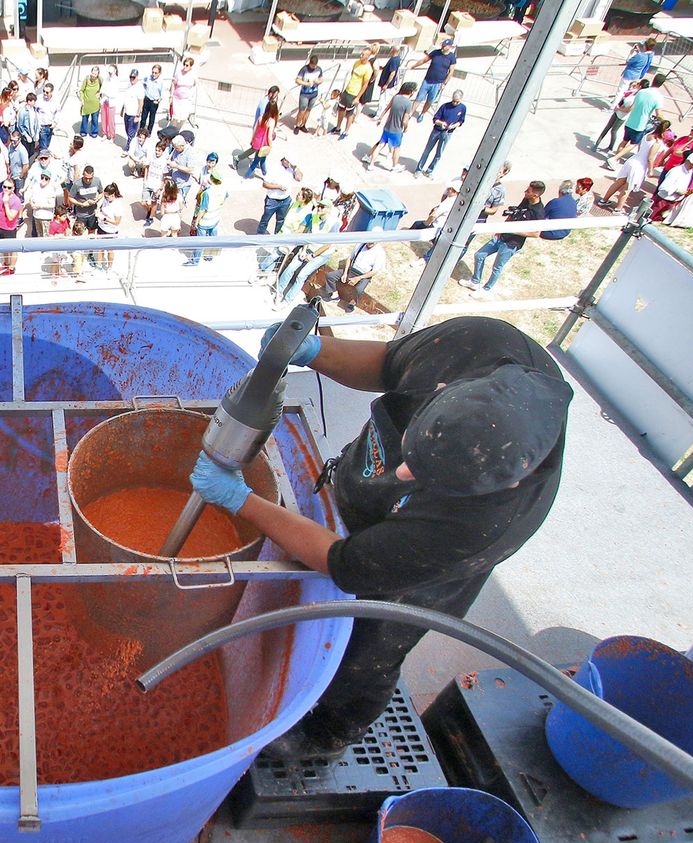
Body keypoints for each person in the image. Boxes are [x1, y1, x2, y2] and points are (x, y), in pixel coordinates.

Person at [191, 316, 571, 759]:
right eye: (412, 452)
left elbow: (345, 563)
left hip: (413, 569)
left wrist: (240, 500)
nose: (402, 473)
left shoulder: (479, 526)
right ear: (445, 389)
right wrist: (316, 352)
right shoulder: (478, 343)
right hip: (368, 495)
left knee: (371, 644)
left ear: (506, 484)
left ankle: (331, 732)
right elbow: (390, 363)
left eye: (424, 478)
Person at [463, 179, 546, 297]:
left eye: (528, 191)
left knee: (497, 267)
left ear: (535, 194)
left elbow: (536, 233)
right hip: (502, 235)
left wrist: (514, 230)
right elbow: (514, 214)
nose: (525, 192)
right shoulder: (526, 200)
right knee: (479, 255)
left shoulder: (539, 212)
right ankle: (475, 281)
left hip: (512, 244)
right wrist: (502, 227)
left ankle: (486, 289)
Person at [319, 241, 384, 311]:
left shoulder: (380, 253)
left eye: (372, 242)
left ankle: (352, 303)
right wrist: (345, 273)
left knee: (359, 289)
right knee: (330, 276)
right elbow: (350, 258)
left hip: (364, 275)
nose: (369, 243)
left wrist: (358, 278)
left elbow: (374, 271)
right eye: (369, 241)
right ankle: (333, 294)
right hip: (352, 270)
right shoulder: (360, 244)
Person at [367, 82, 417, 171]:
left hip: (387, 127)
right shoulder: (408, 103)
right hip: (397, 130)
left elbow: (386, 108)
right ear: (411, 91)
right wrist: (406, 128)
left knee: (380, 145)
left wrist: (380, 118)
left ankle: (371, 164)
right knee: (396, 148)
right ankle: (394, 166)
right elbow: (405, 120)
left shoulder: (395, 97)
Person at [415, 89, 466, 177]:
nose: (454, 103)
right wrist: (441, 123)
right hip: (437, 131)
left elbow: (461, 121)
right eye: (453, 100)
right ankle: (419, 169)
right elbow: (435, 119)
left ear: (461, 100)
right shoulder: (445, 106)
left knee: (439, 154)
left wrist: (453, 126)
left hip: (447, 133)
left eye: (457, 102)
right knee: (427, 150)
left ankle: (429, 171)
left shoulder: (463, 108)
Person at [185, 166, 228, 266]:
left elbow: (203, 209)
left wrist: (196, 222)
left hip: (205, 221)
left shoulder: (207, 193)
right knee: (213, 239)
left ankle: (195, 260)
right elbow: (224, 200)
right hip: (216, 218)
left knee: (200, 241)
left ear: (211, 178)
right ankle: (209, 256)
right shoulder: (224, 190)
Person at [409, 37, 457, 121]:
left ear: (449, 47)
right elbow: (424, 60)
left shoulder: (451, 57)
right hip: (427, 80)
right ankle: (410, 113)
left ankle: (422, 114)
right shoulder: (436, 52)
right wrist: (413, 66)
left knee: (430, 100)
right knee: (419, 97)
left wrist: (444, 84)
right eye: (443, 45)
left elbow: (451, 72)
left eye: (445, 45)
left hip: (438, 83)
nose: (443, 47)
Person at [257, 157, 298, 235]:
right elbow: (265, 184)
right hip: (272, 200)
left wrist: (295, 168)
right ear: (284, 160)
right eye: (289, 162)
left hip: (285, 200)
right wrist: (279, 187)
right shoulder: (274, 169)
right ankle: (259, 236)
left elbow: (299, 178)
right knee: (265, 219)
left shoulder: (291, 169)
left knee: (281, 220)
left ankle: (277, 237)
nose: (290, 164)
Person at [294, 55, 324, 134]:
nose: (314, 67)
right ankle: (297, 125)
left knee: (309, 110)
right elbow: (297, 80)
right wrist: (306, 83)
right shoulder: (304, 69)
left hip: (314, 93)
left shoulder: (319, 69)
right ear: (309, 63)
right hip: (305, 93)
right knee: (302, 110)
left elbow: (321, 79)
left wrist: (318, 81)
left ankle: (303, 125)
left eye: (315, 65)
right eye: (312, 65)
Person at [140, 64, 165, 136]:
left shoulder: (161, 82)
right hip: (147, 99)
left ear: (159, 73)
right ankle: (141, 130)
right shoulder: (148, 78)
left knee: (152, 117)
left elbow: (162, 93)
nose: (153, 74)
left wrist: (158, 100)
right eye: (153, 72)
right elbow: (143, 82)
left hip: (154, 101)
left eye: (156, 73)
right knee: (143, 116)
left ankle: (149, 131)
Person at [79, 68, 102, 137]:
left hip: (95, 104)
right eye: (92, 73)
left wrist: (100, 93)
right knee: (84, 119)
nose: (93, 75)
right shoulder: (86, 79)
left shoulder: (100, 80)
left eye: (95, 74)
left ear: (98, 74)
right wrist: (82, 99)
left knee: (95, 119)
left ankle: (94, 131)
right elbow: (81, 90)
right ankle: (83, 131)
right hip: (86, 103)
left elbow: (104, 88)